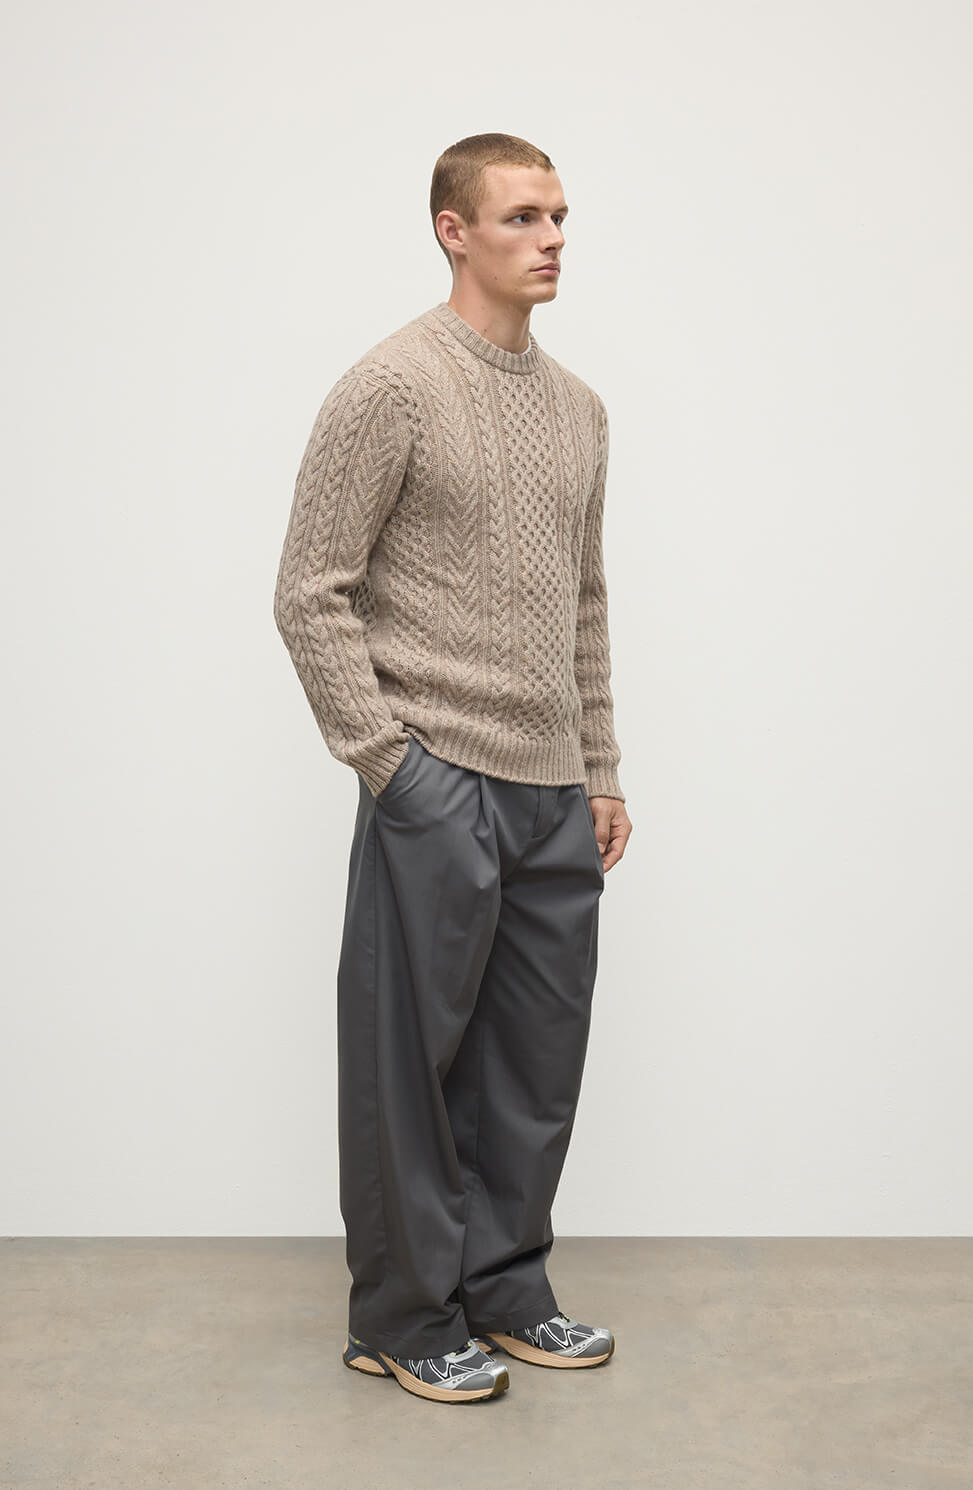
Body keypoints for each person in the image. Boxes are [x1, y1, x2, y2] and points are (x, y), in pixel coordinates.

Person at [273, 132, 633, 1405]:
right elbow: (309, 589)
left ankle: (507, 1289)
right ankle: (402, 1315)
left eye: (560, 215)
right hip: (436, 777)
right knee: (407, 1069)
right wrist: (390, 763)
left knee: (534, 1062)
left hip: (551, 788)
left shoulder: (581, 409)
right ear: (452, 229)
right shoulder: (392, 386)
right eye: (523, 216)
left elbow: (584, 601)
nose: (552, 238)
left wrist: (599, 764)